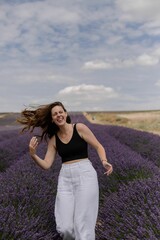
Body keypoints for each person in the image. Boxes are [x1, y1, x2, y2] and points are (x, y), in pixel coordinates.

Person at [17, 101, 113, 240]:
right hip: (65, 179)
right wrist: (33, 155)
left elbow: (99, 146)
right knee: (65, 228)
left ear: (66, 113)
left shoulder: (79, 128)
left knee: (83, 225)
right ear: (52, 119)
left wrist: (104, 161)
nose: (58, 115)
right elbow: (46, 165)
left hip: (85, 174)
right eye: (55, 114)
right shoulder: (54, 140)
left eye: (60, 112)